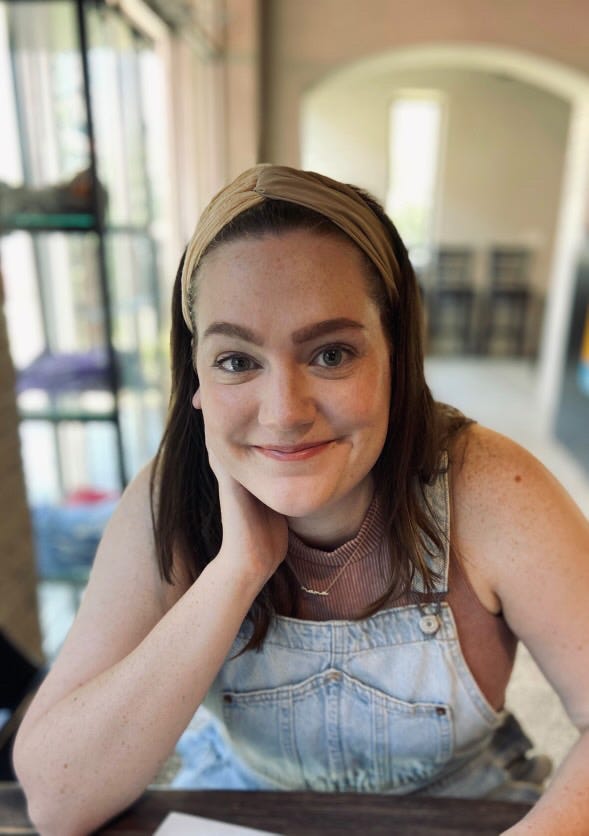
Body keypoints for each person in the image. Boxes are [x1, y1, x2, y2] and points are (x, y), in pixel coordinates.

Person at [13, 164, 589, 836]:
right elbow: (56, 800)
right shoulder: (167, 499)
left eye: (331, 354)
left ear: (397, 354)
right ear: (196, 375)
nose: (284, 413)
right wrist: (237, 569)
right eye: (237, 361)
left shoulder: (491, 487)